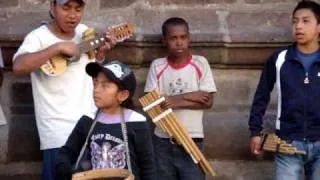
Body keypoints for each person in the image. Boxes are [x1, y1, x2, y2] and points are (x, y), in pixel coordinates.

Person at [12, 0, 115, 179]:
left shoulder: (84, 32)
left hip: (88, 126)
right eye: (66, 7)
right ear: (52, 7)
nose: (73, 15)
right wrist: (57, 47)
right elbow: (18, 66)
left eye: (78, 8)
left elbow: (90, 76)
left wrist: (100, 56)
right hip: (58, 132)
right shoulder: (38, 37)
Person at [248, 1, 320, 179]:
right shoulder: (279, 59)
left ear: (319, 26)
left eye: (305, 21)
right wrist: (255, 131)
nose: (298, 26)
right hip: (288, 143)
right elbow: (261, 95)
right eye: (295, 21)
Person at [55, 60, 155, 180]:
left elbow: (148, 166)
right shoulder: (88, 120)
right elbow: (67, 152)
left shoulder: (137, 122)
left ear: (122, 95)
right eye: (95, 83)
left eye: (105, 85)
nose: (96, 90)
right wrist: (65, 170)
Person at [144, 17, 217, 180]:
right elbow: (152, 106)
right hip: (163, 141)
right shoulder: (157, 65)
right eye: (173, 38)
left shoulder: (201, 63)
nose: (179, 43)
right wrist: (192, 96)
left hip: (193, 139)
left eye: (183, 37)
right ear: (164, 41)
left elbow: (208, 102)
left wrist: (171, 100)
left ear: (188, 38)